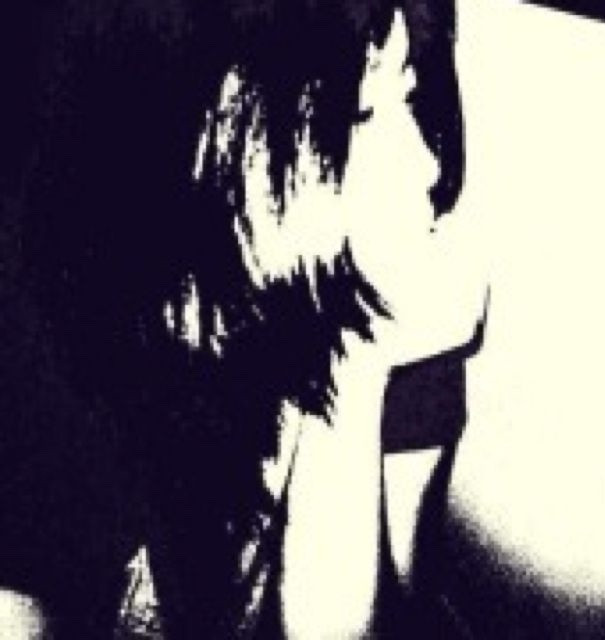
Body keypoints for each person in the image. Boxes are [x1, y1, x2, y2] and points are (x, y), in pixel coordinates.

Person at [4, 0, 483, 636]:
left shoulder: (390, 287)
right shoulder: (43, 354)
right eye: (364, 115)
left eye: (409, 97)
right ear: (221, 127)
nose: (425, 165)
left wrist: (356, 363)